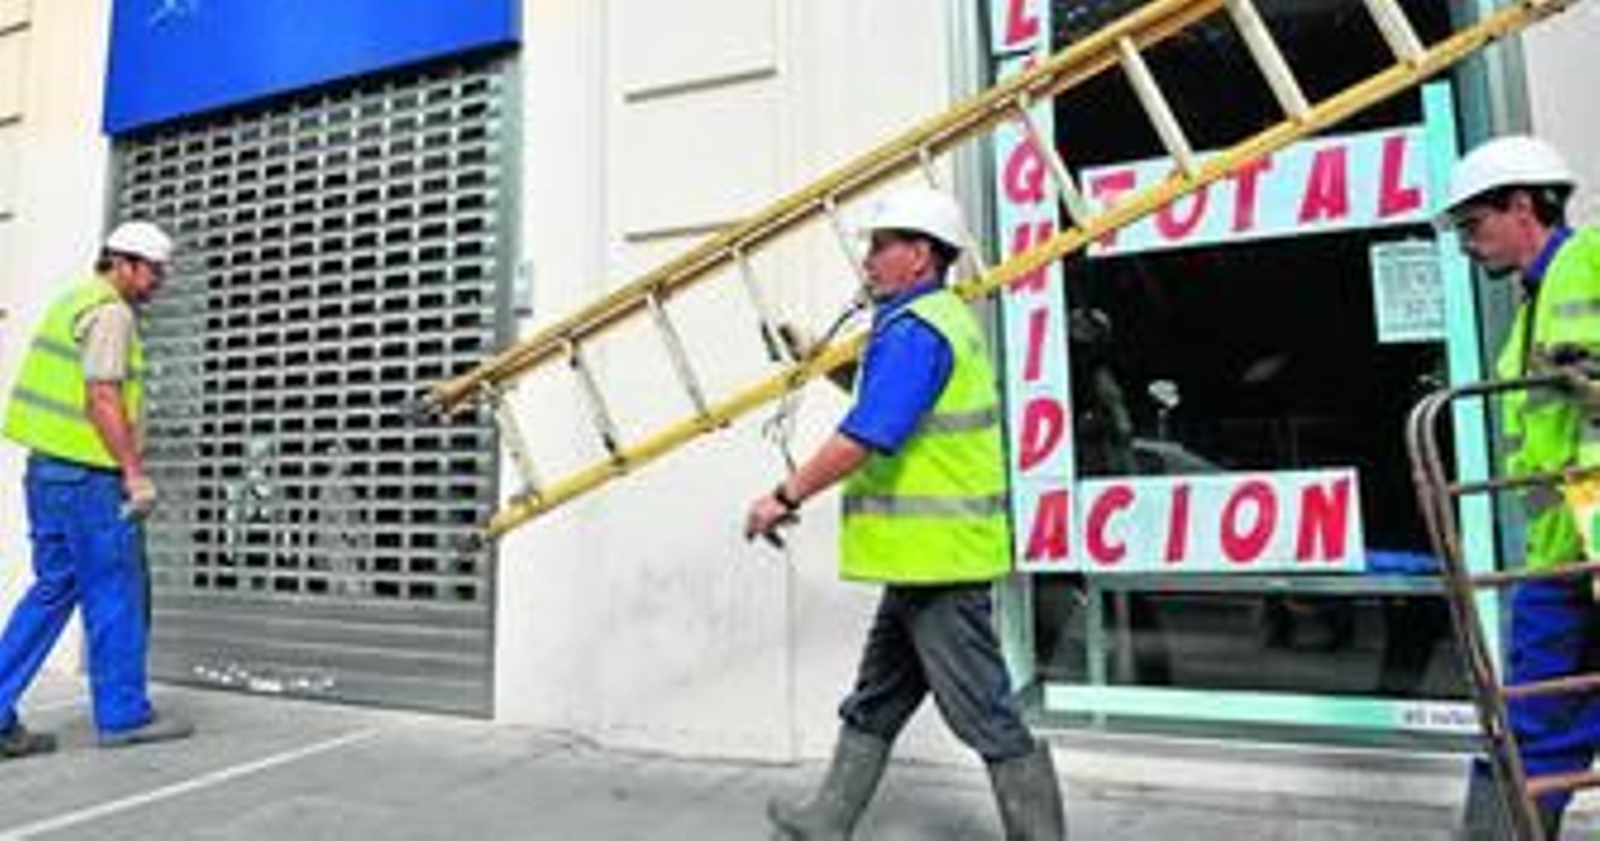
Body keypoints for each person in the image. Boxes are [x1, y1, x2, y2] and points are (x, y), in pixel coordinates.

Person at [745, 186, 1065, 839]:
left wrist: (784, 495)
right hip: (923, 560)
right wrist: (818, 359)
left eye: (880, 246)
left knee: (984, 713)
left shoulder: (918, 329)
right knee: (879, 697)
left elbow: (867, 433)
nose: (868, 259)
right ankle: (826, 820)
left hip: (940, 563)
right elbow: (892, 398)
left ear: (920, 255)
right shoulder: (929, 321)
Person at [1440, 135, 1600, 838]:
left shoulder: (1589, 260)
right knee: (1535, 726)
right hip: (1564, 553)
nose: (1468, 245)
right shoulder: (1530, 311)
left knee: (1537, 725)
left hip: (1578, 554)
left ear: (1523, 205)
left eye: (1475, 224)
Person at [0, 221, 194, 759]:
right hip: (89, 478)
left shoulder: (72, 301)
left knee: (53, 589)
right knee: (115, 590)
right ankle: (123, 715)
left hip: (48, 472)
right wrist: (133, 472)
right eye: (154, 271)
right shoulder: (111, 313)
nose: (160, 282)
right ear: (124, 263)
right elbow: (102, 398)